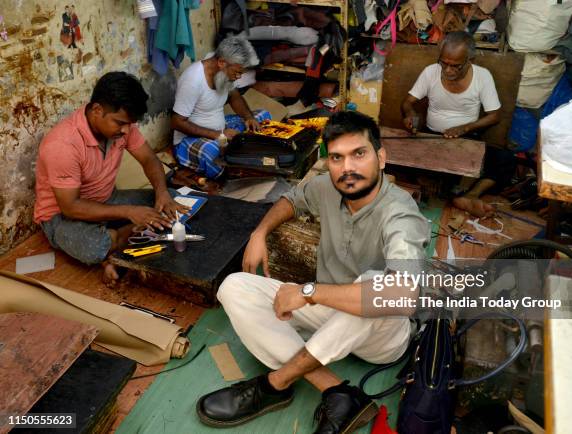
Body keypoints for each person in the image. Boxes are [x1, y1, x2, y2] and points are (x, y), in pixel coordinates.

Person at [196, 111, 430, 433]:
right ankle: (337, 392)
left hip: (382, 336)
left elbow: (401, 296)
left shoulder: (401, 213)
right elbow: (291, 200)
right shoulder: (327, 188)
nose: (347, 168)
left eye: (358, 154)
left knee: (373, 287)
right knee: (234, 286)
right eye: (337, 158)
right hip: (329, 312)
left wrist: (308, 292)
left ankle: (274, 384)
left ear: (381, 157)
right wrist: (259, 234)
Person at [34, 71, 189, 285]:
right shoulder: (62, 145)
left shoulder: (123, 127)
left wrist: (162, 194)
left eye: (130, 124)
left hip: (107, 199)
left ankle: (119, 239)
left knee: (170, 200)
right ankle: (121, 238)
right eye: (120, 123)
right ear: (97, 110)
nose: (126, 130)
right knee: (94, 247)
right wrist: (129, 212)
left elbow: (149, 160)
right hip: (61, 216)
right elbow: (70, 207)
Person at [401, 31, 515, 217]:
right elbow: (407, 102)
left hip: (466, 139)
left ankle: (470, 195)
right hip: (432, 137)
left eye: (455, 66)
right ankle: (447, 187)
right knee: (392, 152)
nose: (447, 70)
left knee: (506, 160)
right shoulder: (431, 72)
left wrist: (465, 128)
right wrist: (410, 114)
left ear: (471, 60)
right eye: (444, 63)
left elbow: (495, 116)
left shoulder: (482, 77)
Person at [171, 36, 271, 179]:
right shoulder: (193, 80)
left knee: (263, 117)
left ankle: (241, 156)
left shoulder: (224, 73)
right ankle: (234, 173)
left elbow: (234, 96)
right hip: (191, 139)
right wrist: (216, 135)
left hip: (222, 128)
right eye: (237, 72)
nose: (238, 77)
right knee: (214, 154)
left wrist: (248, 118)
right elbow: (176, 122)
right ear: (222, 62)